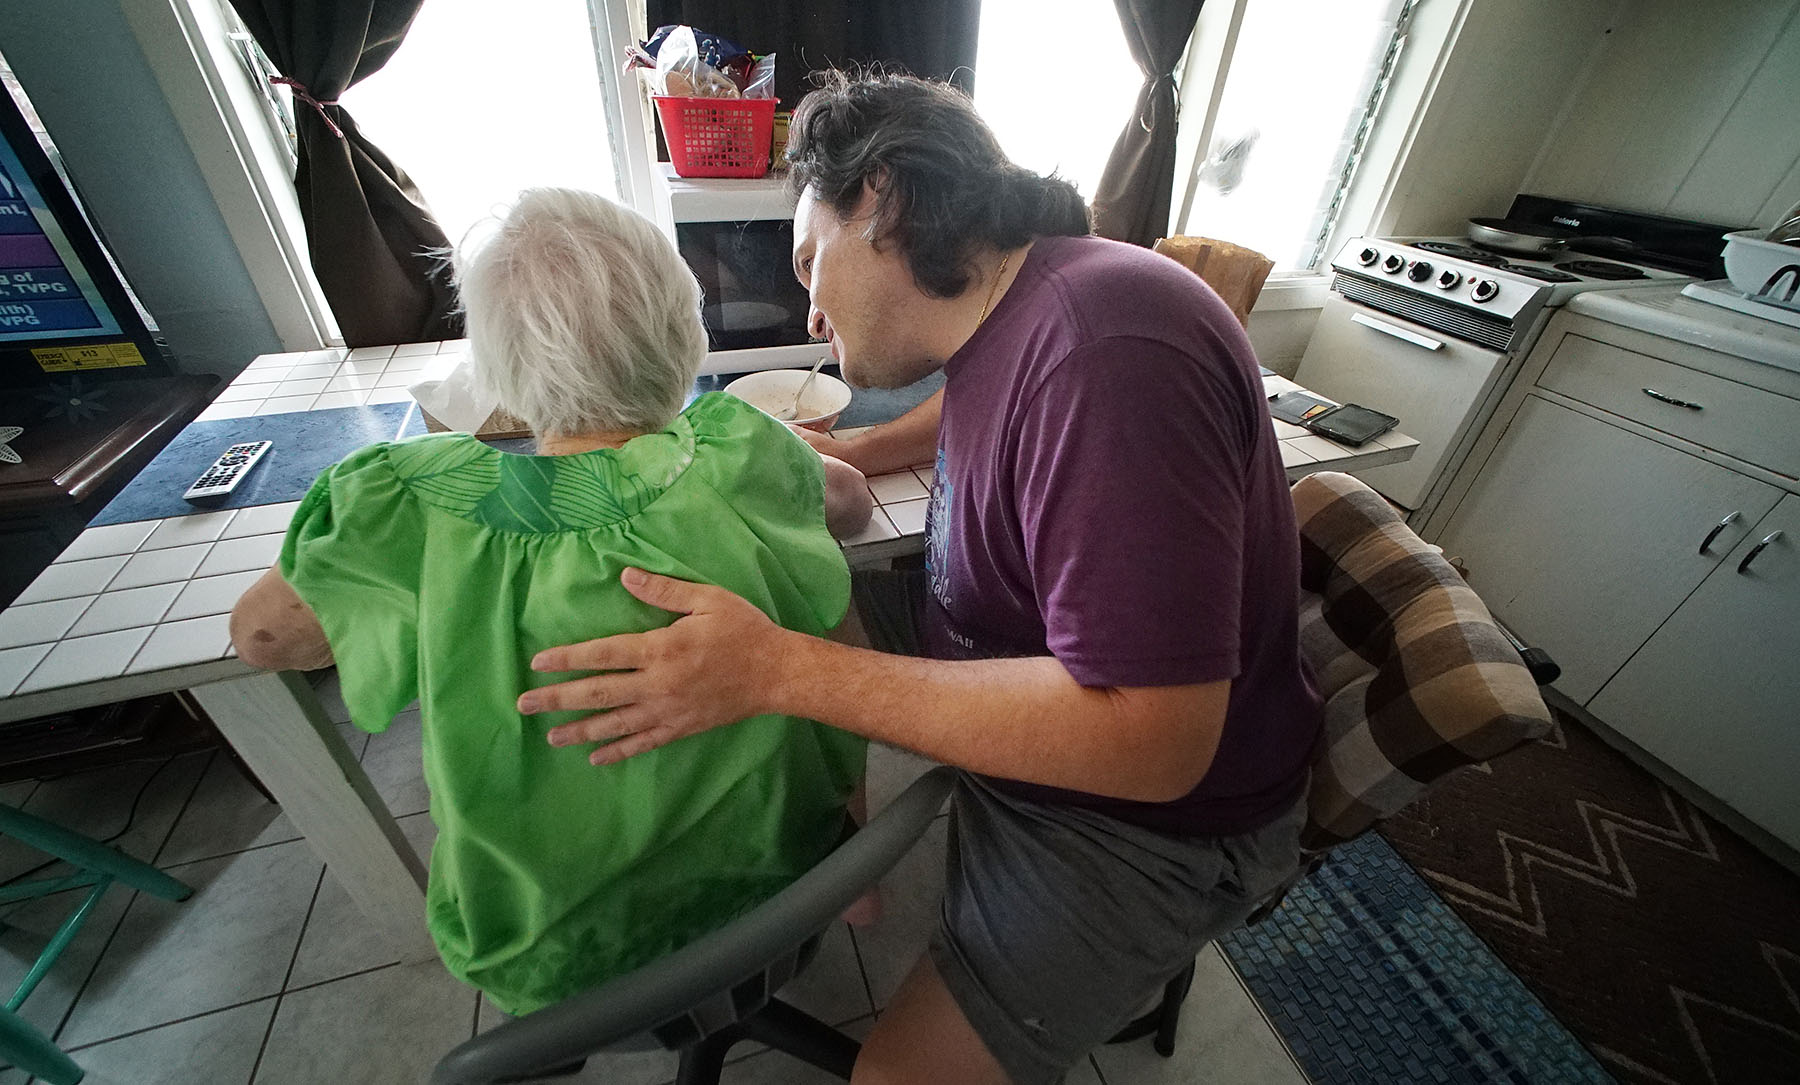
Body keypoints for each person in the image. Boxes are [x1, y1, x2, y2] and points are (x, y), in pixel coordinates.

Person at [517, 73, 1324, 1084]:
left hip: (1147, 821)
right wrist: (861, 448)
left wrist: (780, 672)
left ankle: (834, 856)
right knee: (801, 583)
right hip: (1000, 650)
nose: (810, 307)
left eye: (808, 260)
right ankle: (840, 839)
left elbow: (1154, 739)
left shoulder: (1111, 350)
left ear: (879, 197)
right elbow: (976, 404)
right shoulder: (1031, 302)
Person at [228, 187, 876, 1016]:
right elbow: (850, 505)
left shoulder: (411, 502)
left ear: (497, 370)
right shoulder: (740, 442)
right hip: (789, 887)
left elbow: (261, 638)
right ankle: (856, 869)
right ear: (684, 334)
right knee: (831, 607)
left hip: (561, 961)